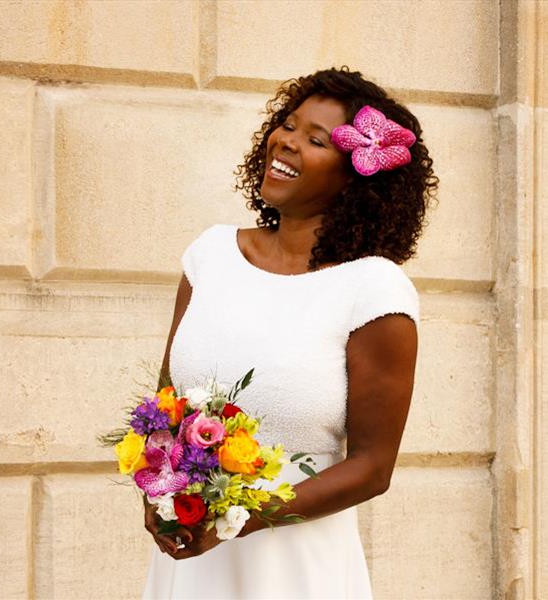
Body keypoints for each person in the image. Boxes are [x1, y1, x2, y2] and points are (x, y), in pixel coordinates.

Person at [141, 67, 436, 599]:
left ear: (354, 179)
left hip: (295, 567)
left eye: (316, 140)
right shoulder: (210, 255)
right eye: (289, 125)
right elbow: (166, 406)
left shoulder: (373, 289)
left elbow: (372, 467)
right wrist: (157, 493)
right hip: (192, 560)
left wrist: (237, 519)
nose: (288, 141)